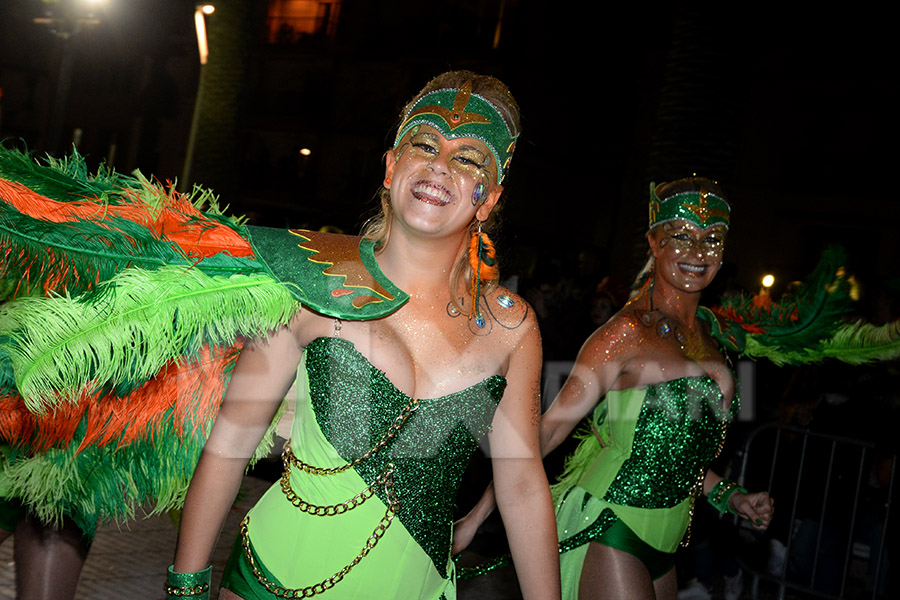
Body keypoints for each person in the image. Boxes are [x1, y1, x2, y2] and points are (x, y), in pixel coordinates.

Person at [167, 71, 560, 599]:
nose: (439, 166)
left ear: (487, 199)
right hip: (273, 583)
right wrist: (186, 585)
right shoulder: (310, 280)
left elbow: (522, 486)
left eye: (468, 159)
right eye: (424, 144)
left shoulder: (511, 328)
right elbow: (230, 444)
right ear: (392, 165)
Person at [454, 177, 774, 600]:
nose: (698, 253)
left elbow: (676, 455)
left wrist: (731, 497)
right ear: (654, 243)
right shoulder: (624, 334)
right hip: (611, 527)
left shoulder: (710, 339)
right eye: (681, 237)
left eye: (711, 239)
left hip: (669, 544)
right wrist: (477, 517)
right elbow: (547, 432)